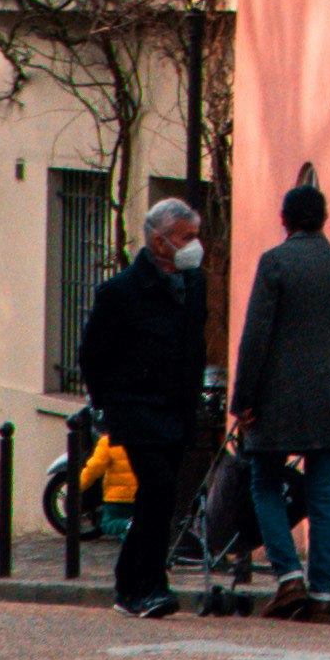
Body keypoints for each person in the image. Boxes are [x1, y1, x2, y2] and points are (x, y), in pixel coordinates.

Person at [228, 172, 330, 618]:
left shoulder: (275, 263)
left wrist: (242, 398)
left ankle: (288, 577)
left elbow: (255, 337)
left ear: (284, 220)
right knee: (325, 492)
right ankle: (323, 592)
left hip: (275, 398)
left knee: (264, 481)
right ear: (323, 219)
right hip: (328, 396)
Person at [77, 196, 211, 622]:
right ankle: (149, 586)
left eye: (195, 236)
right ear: (159, 241)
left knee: (163, 495)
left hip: (177, 408)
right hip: (136, 409)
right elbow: (93, 354)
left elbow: (194, 346)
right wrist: (109, 406)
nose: (194, 245)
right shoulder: (121, 293)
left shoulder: (194, 285)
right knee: (157, 489)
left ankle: (130, 581)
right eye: (186, 237)